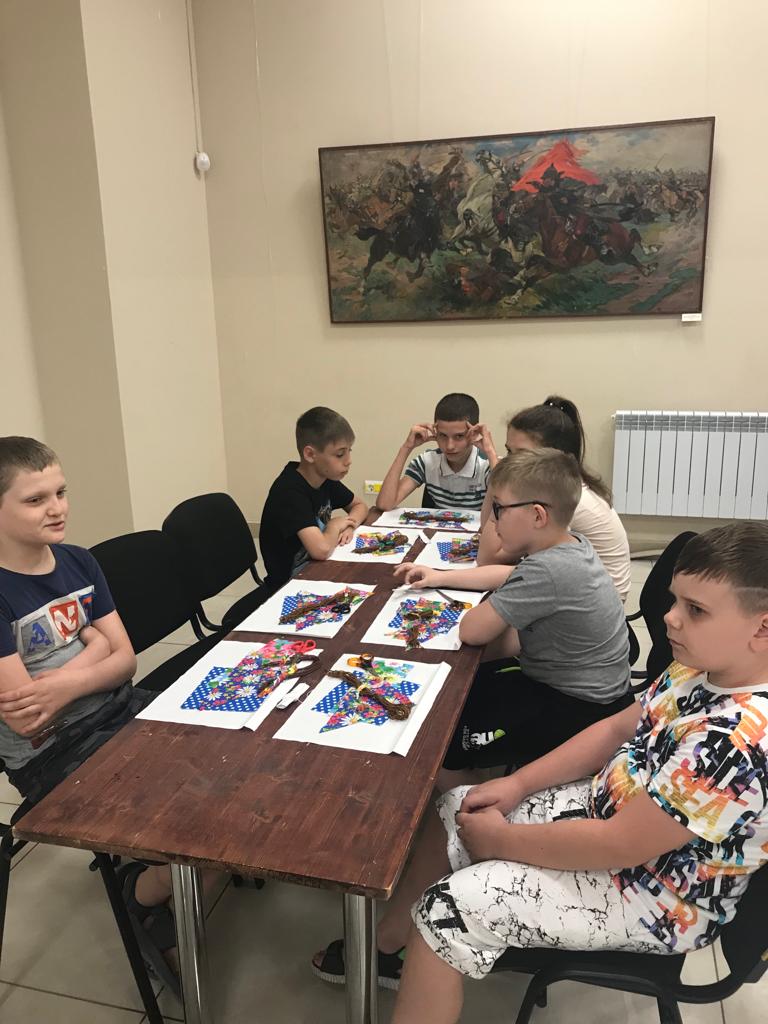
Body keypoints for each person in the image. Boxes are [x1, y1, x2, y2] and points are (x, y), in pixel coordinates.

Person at [314, 522, 768, 1022]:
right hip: (611, 816)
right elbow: (616, 727)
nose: (670, 618)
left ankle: (417, 947)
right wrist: (517, 783)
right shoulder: (700, 665)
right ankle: (387, 946)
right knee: (459, 804)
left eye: (695, 610)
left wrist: (501, 843)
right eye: (676, 601)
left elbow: (620, 846)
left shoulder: (735, 743)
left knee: (445, 912)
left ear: (762, 628)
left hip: (655, 896)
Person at [0, 436, 180, 993]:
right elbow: (29, 718)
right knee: (192, 824)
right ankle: (145, 896)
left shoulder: (79, 560)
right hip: (52, 751)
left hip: (118, 709)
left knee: (232, 762)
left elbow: (126, 660)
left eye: (60, 492)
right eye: (35, 500)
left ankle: (166, 877)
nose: (57, 508)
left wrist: (66, 678)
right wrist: (94, 648)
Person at [477, 395, 631, 602]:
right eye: (509, 451)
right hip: (577, 589)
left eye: (521, 453)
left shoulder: (564, 499)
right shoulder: (555, 487)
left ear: (553, 455)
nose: (510, 461)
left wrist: (499, 476)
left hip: (595, 603)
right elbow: (488, 529)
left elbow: (489, 558)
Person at [259, 407, 368, 588]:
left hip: (316, 567)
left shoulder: (325, 477)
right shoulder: (289, 491)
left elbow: (360, 506)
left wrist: (350, 525)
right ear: (310, 454)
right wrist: (334, 526)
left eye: (349, 451)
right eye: (340, 454)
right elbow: (321, 550)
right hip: (289, 583)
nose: (348, 460)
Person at [376, 393, 498, 513]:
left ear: (474, 433)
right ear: (435, 432)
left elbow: (504, 507)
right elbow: (385, 504)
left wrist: (490, 452)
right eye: (443, 435)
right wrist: (406, 447)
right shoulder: (427, 462)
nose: (449, 446)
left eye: (459, 436)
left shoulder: (488, 464)